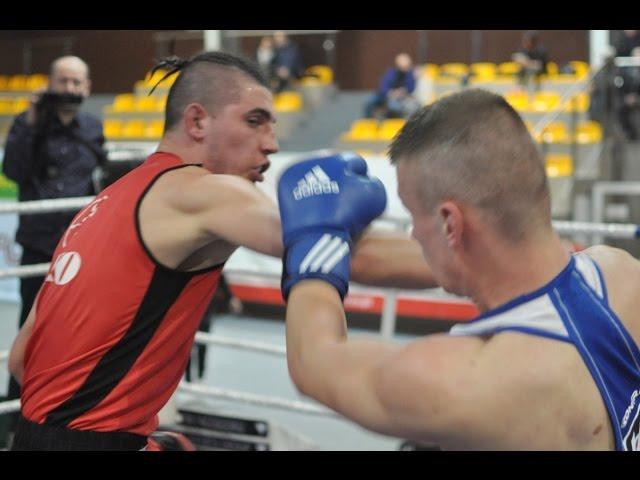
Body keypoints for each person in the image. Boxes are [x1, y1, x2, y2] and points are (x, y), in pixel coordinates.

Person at [7, 51, 436, 451]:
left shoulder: (99, 206)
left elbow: (21, 359)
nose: (272, 143)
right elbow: (328, 245)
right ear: (197, 122)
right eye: (254, 121)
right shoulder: (204, 191)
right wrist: (482, 258)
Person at [280, 89, 640, 450]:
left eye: (413, 215)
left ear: (449, 223)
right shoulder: (621, 272)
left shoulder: (471, 380)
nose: (413, 233)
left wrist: (313, 240)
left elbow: (313, 361)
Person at [2, 55, 105, 443]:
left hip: (82, 249)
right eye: (64, 82)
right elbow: (12, 170)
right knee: (28, 335)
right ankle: (17, 422)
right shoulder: (30, 124)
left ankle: (65, 416)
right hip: (38, 244)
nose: (71, 90)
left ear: (88, 87)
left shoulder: (93, 127)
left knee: (78, 333)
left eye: (78, 83)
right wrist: (31, 120)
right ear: (50, 84)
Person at [364, 53, 419, 120]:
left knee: (396, 106)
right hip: (384, 96)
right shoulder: (391, 73)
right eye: (403, 66)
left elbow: (411, 88)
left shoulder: (410, 74)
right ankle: (368, 122)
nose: (405, 68)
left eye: (407, 66)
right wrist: (391, 93)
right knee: (369, 102)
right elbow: (383, 87)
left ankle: (393, 124)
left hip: (401, 98)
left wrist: (403, 91)